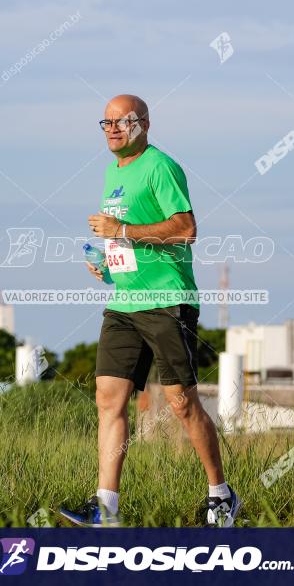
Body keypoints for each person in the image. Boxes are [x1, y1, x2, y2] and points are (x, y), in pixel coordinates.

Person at [59, 94, 240, 528]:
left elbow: (186, 229)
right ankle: (106, 507)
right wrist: (109, 261)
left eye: (124, 121)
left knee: (181, 402)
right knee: (109, 399)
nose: (115, 129)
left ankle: (220, 495)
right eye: (107, 122)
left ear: (144, 124)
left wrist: (120, 229)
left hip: (166, 300)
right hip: (123, 302)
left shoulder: (161, 166)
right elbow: (128, 241)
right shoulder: (111, 174)